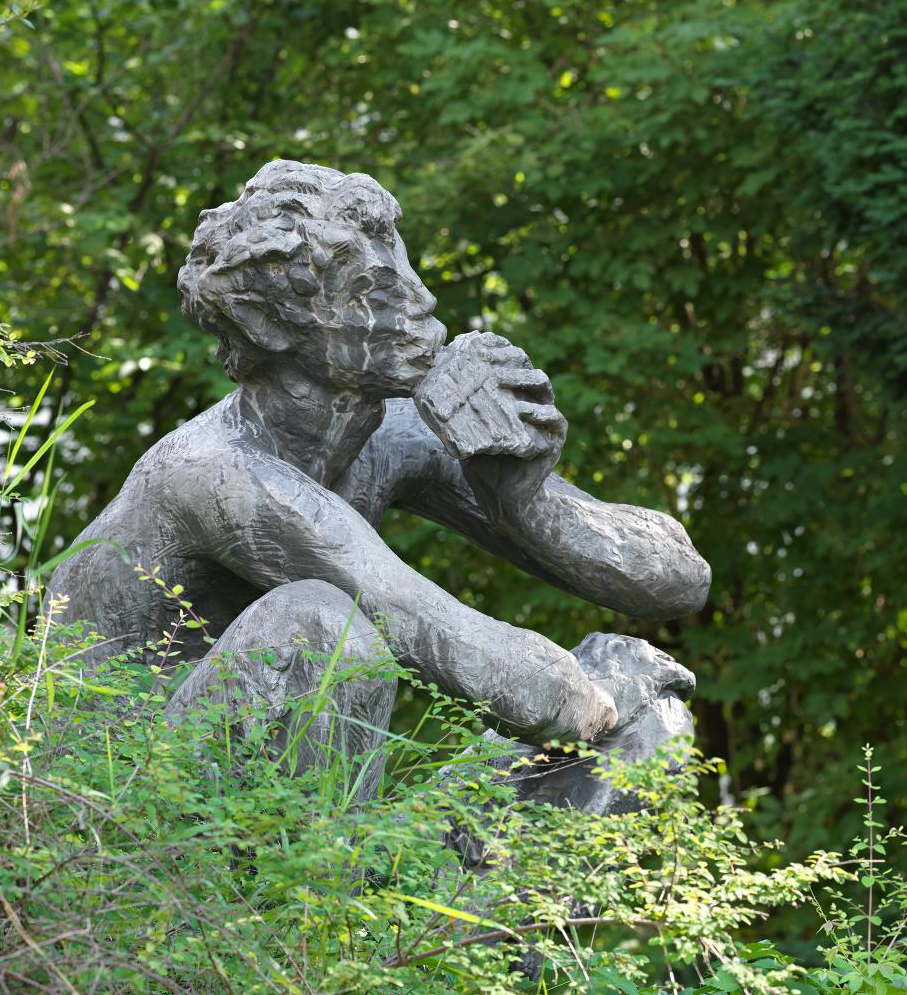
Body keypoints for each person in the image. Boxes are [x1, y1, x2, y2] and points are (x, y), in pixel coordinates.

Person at [46, 160, 709, 799]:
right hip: (120, 819)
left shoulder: (393, 427)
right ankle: (312, 909)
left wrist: (525, 499)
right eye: (374, 292)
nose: (425, 307)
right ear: (269, 324)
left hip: (242, 784)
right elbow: (493, 670)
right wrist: (604, 684)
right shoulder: (213, 474)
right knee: (324, 629)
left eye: (409, 273)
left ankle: (409, 892)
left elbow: (679, 580)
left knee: (651, 728)